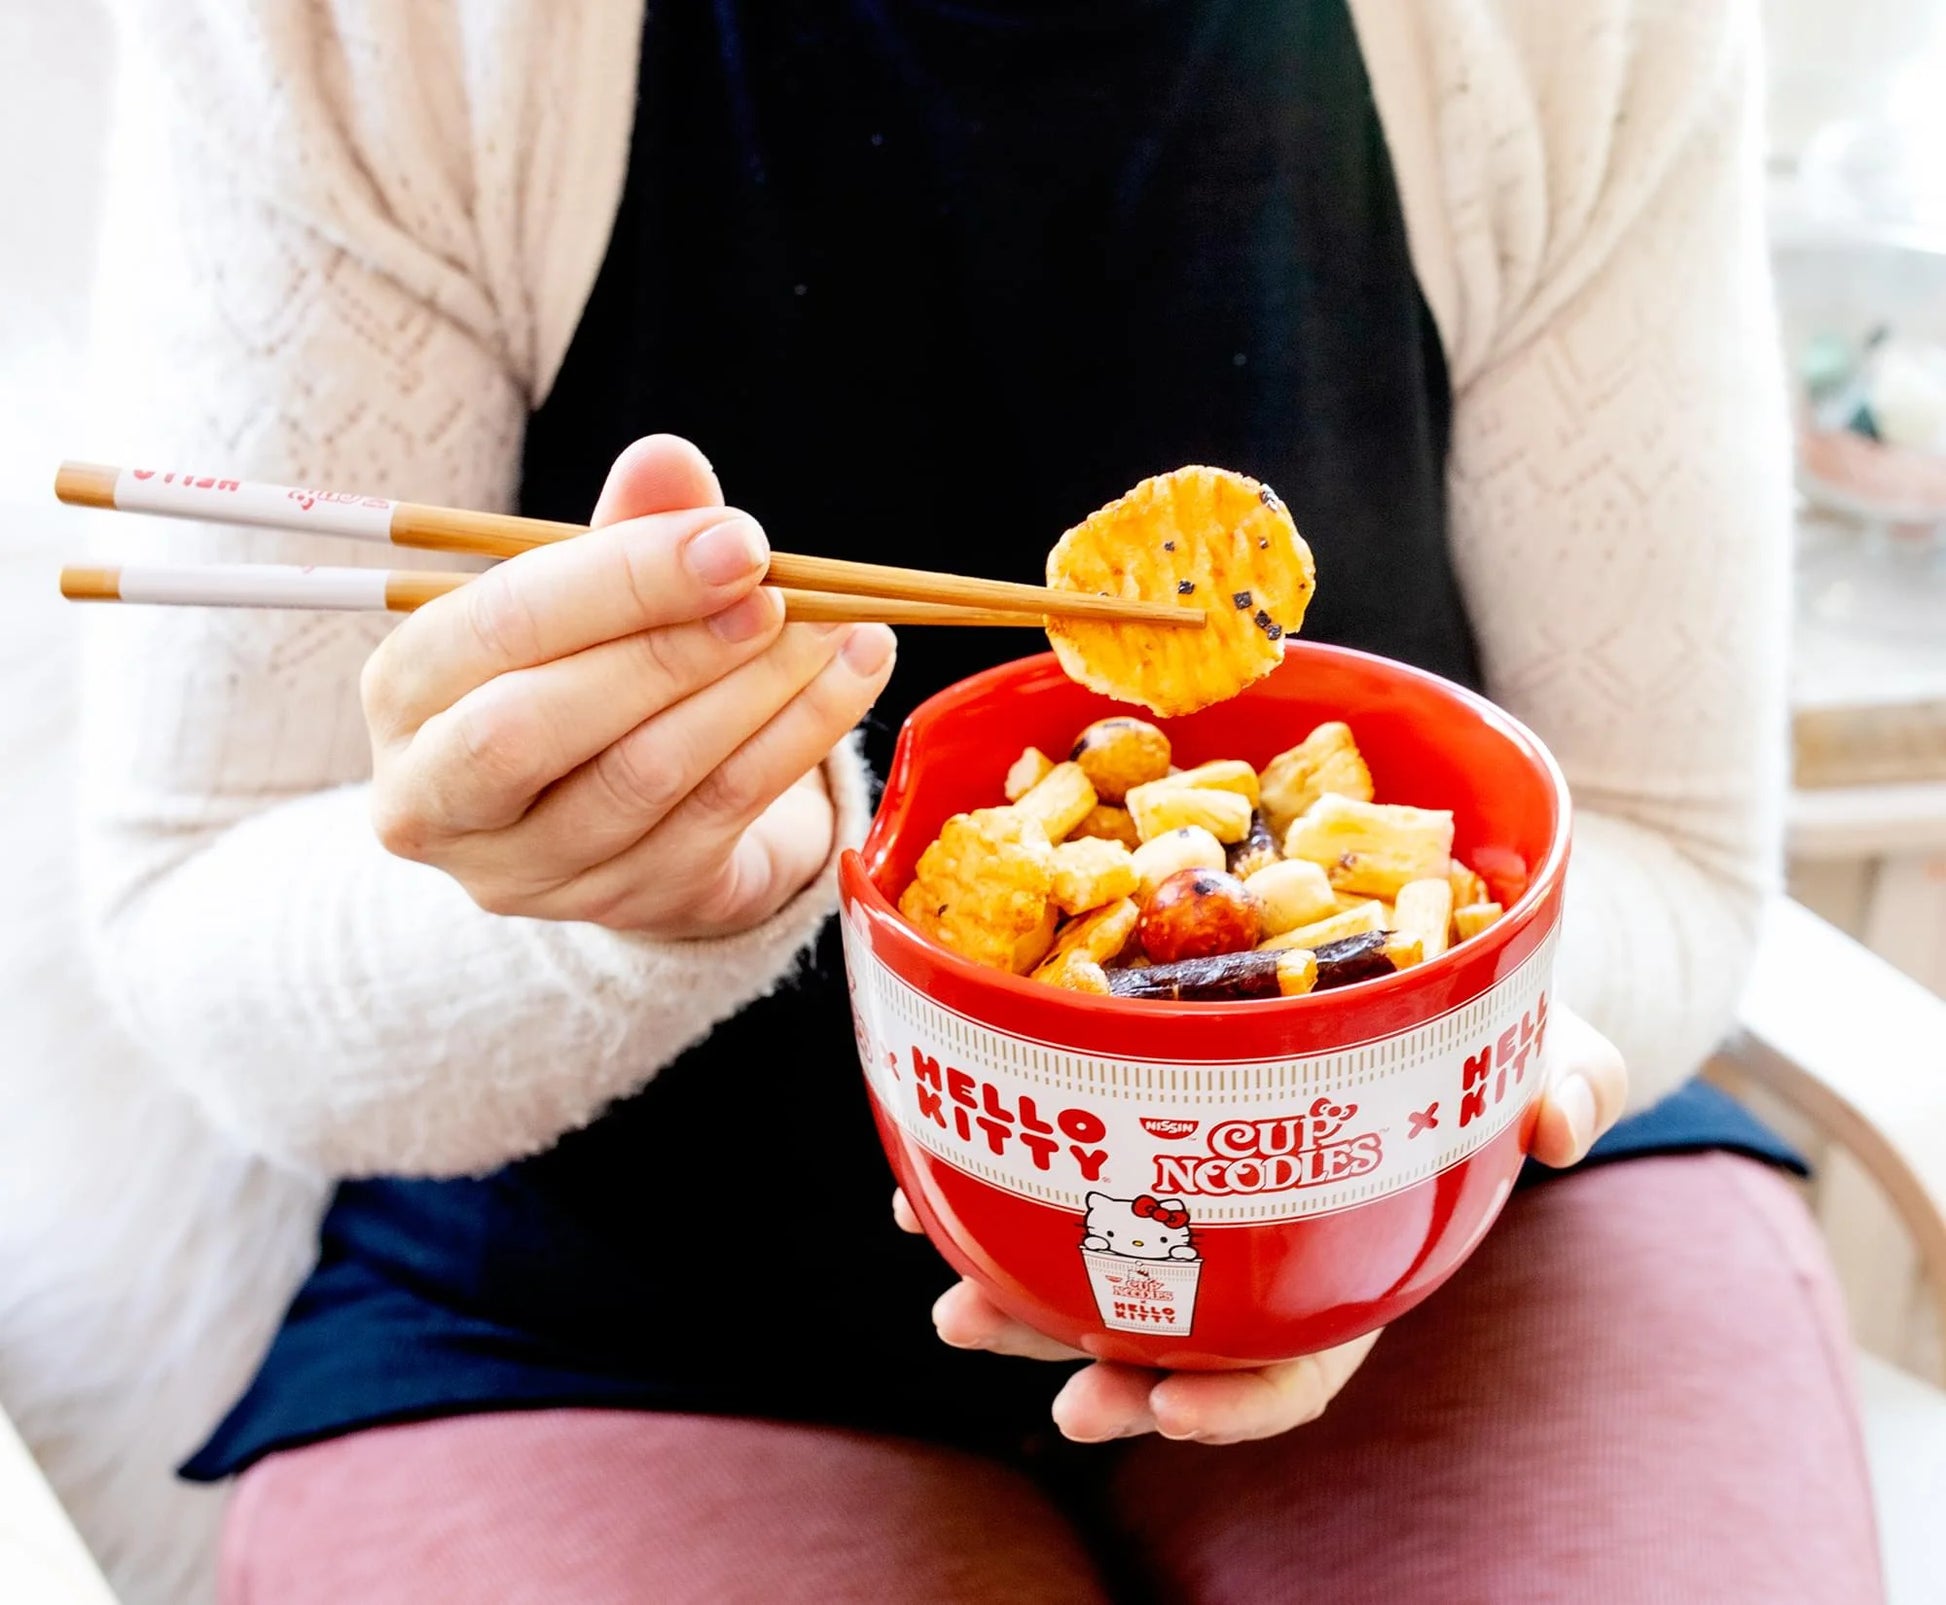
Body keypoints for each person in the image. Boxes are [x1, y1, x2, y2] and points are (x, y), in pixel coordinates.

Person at [77, 0, 1881, 1599]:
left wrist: (1416, 1102)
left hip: (1432, 1206)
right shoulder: (353, 34)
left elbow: (1662, 835)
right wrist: (644, 887)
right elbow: (199, 911)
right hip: (613, 1303)